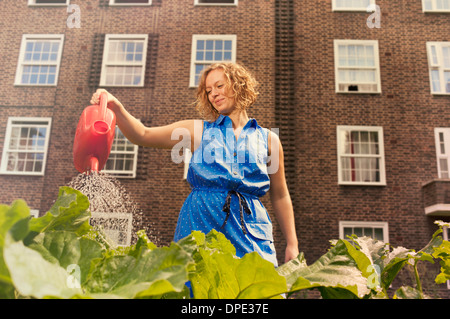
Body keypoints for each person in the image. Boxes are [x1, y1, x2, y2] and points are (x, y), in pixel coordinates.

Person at [90, 62, 299, 265]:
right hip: (202, 221)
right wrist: (117, 108)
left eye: (219, 86)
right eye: (208, 90)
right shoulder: (198, 131)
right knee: (196, 289)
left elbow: (280, 194)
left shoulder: (269, 139)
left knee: (259, 290)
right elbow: (143, 134)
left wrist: (292, 242)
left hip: (251, 228)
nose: (214, 94)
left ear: (239, 85)